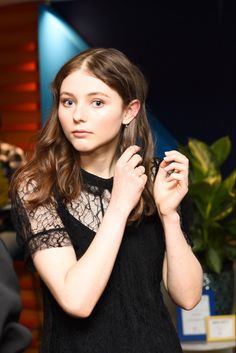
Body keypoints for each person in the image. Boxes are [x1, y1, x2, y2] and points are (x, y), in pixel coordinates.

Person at [10, 47, 203, 353]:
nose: (78, 116)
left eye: (97, 102)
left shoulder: (156, 180)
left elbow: (189, 297)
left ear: (129, 111)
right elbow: (77, 300)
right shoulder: (37, 187)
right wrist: (119, 205)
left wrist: (169, 216)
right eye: (68, 101)